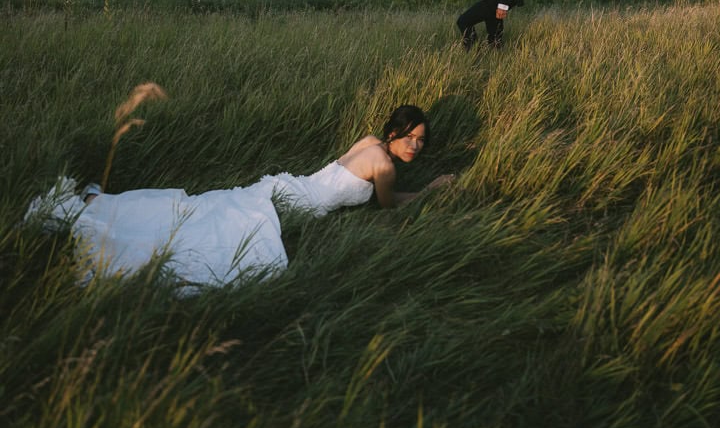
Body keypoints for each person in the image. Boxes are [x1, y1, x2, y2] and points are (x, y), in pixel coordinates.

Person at [25, 105, 454, 292]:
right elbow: (389, 204)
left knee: (198, 210)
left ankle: (94, 210)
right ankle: (100, 231)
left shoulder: (368, 141)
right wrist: (430, 192)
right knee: (216, 240)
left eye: (422, 141)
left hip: (283, 186)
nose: (416, 147)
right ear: (395, 133)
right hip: (292, 204)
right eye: (411, 138)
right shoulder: (385, 165)